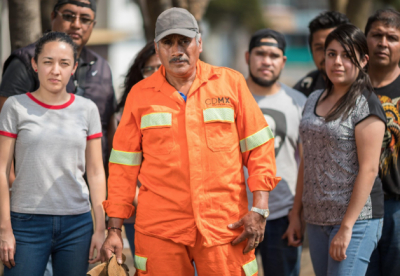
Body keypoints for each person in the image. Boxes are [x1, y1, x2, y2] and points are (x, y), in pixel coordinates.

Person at [100, 7, 280, 276]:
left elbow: (259, 149)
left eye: (184, 41)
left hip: (225, 225)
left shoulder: (230, 83)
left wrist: (260, 209)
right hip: (160, 230)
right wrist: (114, 228)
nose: (177, 50)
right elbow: (123, 166)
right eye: (168, 43)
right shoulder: (140, 95)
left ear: (199, 43)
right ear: (157, 49)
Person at [0, 31, 106, 276]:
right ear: (35, 65)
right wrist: (5, 228)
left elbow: (96, 171)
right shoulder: (15, 107)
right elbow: (3, 170)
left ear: (74, 68)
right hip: (25, 223)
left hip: (77, 224)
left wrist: (99, 228)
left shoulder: (87, 109)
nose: (55, 70)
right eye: (48, 62)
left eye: (64, 63)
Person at [284, 24, 386, 276]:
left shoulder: (366, 105)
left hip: (356, 220)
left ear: (363, 61)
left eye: (347, 56)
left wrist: (347, 227)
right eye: (331, 54)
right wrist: (296, 213)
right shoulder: (312, 99)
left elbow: (369, 169)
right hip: (317, 219)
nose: (337, 62)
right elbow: (307, 161)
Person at [0, 0, 117, 171]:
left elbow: (110, 126)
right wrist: (11, 188)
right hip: (37, 187)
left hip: (92, 186)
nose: (76, 25)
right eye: (69, 16)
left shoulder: (102, 66)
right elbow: (4, 129)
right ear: (53, 16)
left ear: (93, 25)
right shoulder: (25, 61)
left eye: (85, 19)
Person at [244, 29, 306, 276]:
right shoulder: (228, 99)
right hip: (234, 214)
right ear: (248, 56)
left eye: (274, 55)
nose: (266, 61)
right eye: (260, 54)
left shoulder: (298, 102)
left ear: (283, 61)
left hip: (282, 215)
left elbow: (305, 163)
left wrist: (296, 215)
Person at [364, 9, 400, 276]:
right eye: (377, 35)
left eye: (392, 37)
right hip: (355, 208)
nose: (383, 43)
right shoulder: (347, 84)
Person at [118, 41, 161, 257]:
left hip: (176, 212)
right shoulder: (125, 112)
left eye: (160, 68)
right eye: (148, 69)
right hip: (139, 212)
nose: (154, 74)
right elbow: (118, 163)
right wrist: (139, 197)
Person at [293, 11, 349, 97]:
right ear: (311, 51)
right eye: (319, 48)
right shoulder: (302, 92)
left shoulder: (370, 88)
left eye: (334, 47)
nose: (327, 55)